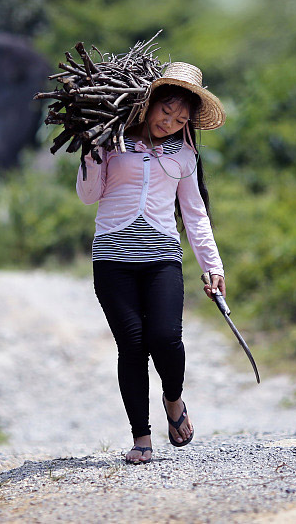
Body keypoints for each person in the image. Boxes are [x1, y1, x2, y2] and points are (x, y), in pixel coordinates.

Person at [76, 62, 227, 464]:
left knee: (165, 338)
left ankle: (173, 399)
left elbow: (194, 215)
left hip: (162, 258)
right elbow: (90, 196)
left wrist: (213, 266)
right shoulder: (113, 140)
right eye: (167, 111)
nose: (171, 122)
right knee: (132, 346)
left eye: (181, 119)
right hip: (112, 259)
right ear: (149, 103)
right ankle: (141, 436)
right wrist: (91, 157)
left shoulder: (185, 154)